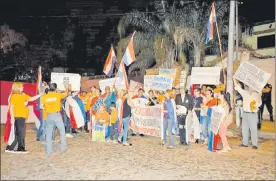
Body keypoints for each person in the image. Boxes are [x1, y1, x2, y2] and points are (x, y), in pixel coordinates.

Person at [6, 82, 44, 153]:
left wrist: (40, 95)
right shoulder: (14, 96)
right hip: (18, 116)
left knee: (19, 133)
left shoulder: (23, 95)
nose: (23, 87)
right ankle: (20, 148)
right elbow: (11, 107)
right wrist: (12, 118)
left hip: (22, 117)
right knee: (21, 133)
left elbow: (31, 99)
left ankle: (10, 148)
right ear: (17, 88)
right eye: (21, 86)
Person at [41, 83, 70, 155]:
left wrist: (47, 108)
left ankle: (49, 151)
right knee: (62, 131)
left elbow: (41, 106)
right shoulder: (57, 95)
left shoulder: (45, 96)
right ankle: (63, 148)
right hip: (56, 115)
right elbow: (66, 94)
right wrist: (66, 87)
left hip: (49, 115)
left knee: (49, 133)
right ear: (56, 88)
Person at [233, 77, 262, 149]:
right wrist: (234, 78)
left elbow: (259, 104)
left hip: (252, 114)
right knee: (244, 129)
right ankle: (245, 143)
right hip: (245, 113)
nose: (250, 87)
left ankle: (255, 144)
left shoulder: (256, 94)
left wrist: (260, 95)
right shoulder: (245, 93)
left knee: (253, 129)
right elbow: (237, 88)